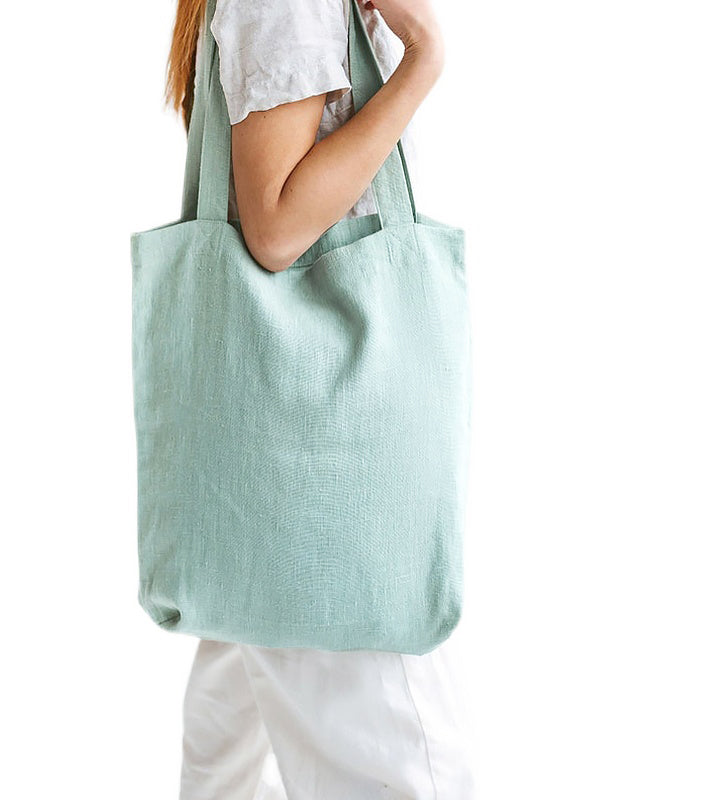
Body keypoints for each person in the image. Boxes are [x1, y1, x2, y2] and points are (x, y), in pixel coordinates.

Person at [163, 1, 479, 797]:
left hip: (268, 477)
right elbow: (275, 227)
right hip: (321, 475)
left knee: (228, 755)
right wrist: (421, 62)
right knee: (401, 763)